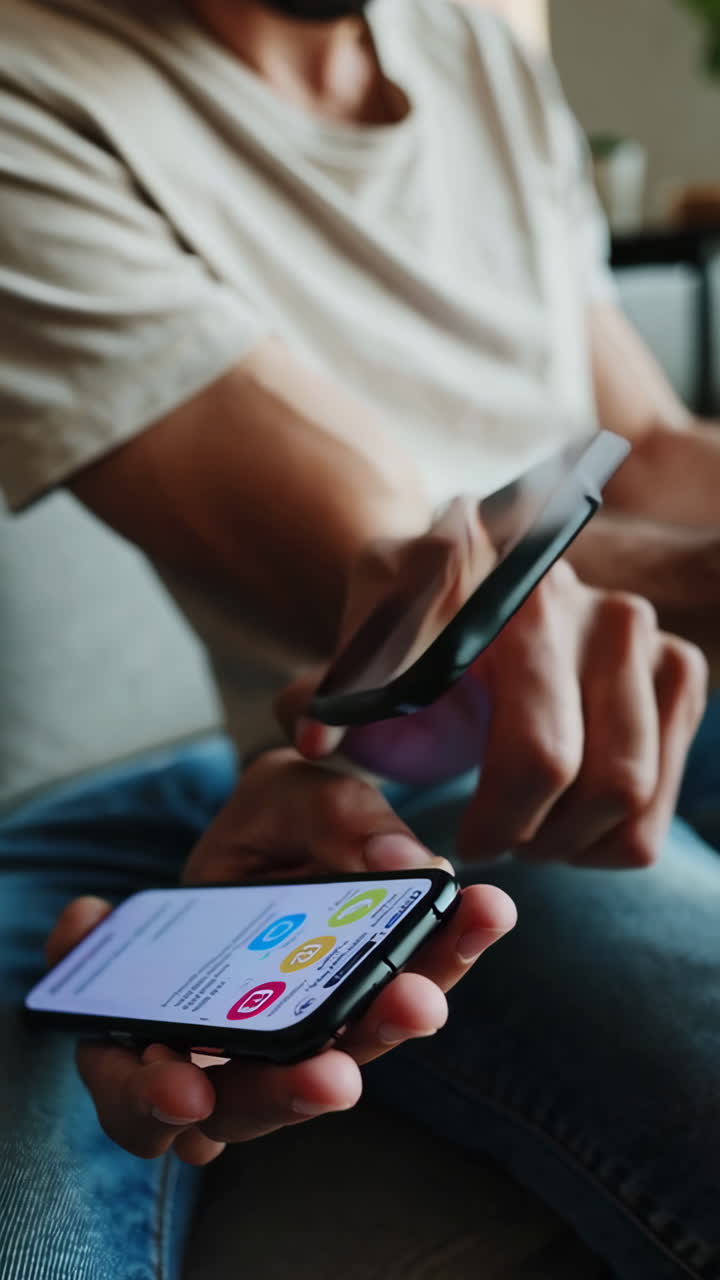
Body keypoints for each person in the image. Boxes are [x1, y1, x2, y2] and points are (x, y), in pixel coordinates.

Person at [0, 1, 718, 1278]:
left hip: (649, 683)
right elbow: (384, 561)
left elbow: (643, 446)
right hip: (419, 777)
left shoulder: (476, 39)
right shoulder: (32, 86)